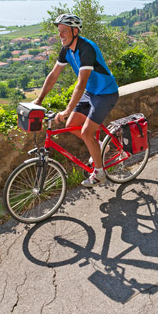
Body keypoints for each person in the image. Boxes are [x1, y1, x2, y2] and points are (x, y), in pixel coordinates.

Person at [34, 13, 119, 187]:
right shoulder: (66, 49)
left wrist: (66, 110)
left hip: (105, 93)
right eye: (59, 31)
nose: (60, 35)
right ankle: (102, 146)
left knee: (87, 132)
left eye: (64, 31)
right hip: (91, 92)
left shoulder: (86, 48)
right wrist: (39, 100)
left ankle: (100, 173)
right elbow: (54, 75)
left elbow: (81, 84)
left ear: (75, 31)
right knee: (71, 125)